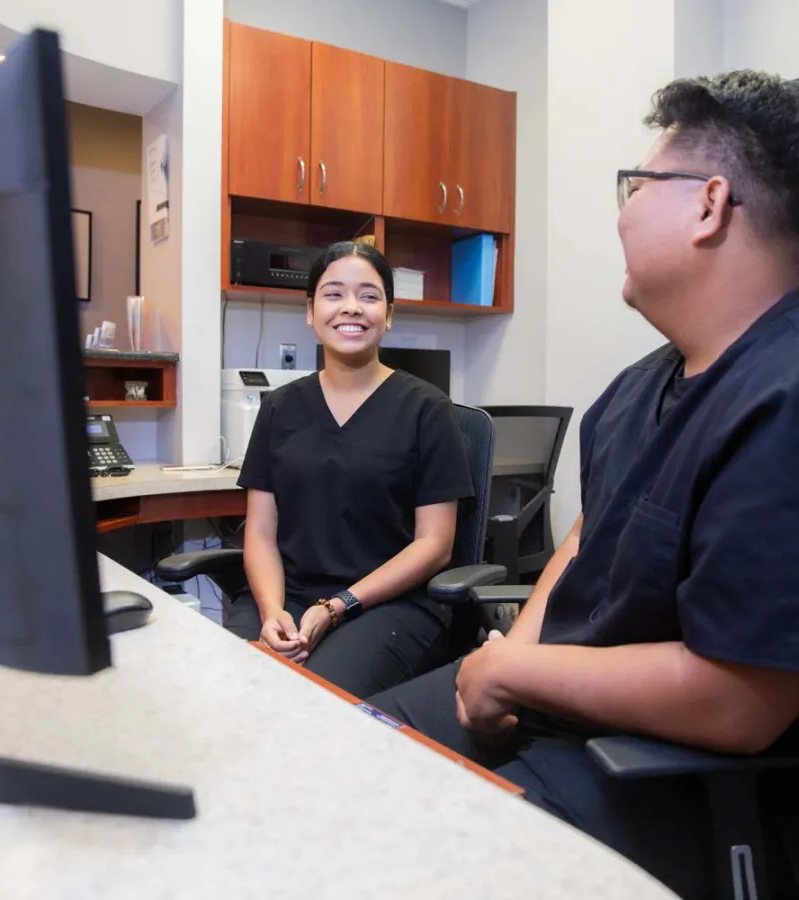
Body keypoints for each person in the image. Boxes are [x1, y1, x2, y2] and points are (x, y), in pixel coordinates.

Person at [368, 71, 799, 899]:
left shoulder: (782, 395)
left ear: (708, 204)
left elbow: (740, 700)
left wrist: (516, 677)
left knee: (398, 860)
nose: (621, 213)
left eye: (636, 187)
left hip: (672, 773)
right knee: (337, 753)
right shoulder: (639, 386)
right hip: (560, 703)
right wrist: (512, 654)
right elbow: (584, 537)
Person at [226, 241, 473, 697]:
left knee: (311, 699)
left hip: (389, 605)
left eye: (369, 295)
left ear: (390, 314)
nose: (351, 308)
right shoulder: (280, 407)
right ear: (310, 311)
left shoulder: (427, 409)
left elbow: (435, 545)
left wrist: (339, 605)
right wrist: (271, 609)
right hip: (291, 594)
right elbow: (260, 532)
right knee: (234, 684)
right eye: (334, 294)